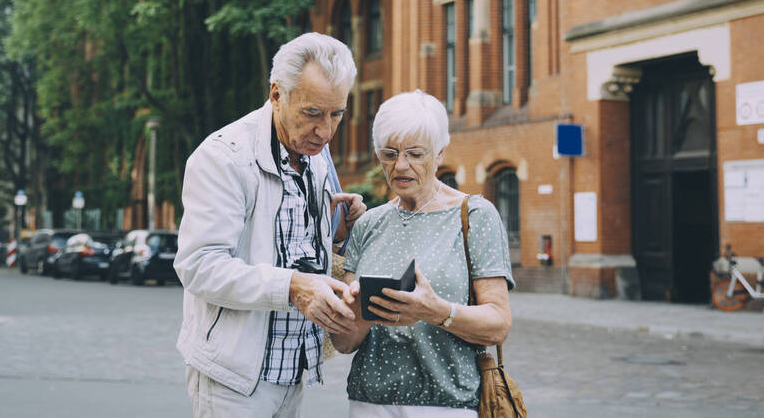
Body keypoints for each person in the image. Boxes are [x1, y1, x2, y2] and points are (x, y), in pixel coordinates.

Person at [174, 32, 367, 417]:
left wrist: (336, 234)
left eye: (337, 114)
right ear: (277, 94)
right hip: (234, 379)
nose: (326, 131)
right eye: (312, 113)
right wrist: (292, 287)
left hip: (293, 371)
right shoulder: (223, 157)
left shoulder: (316, 154)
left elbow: (293, 246)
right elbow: (199, 266)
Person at [330, 90, 516, 417]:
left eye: (415, 153)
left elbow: (498, 324)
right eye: (389, 154)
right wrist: (356, 313)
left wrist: (436, 311)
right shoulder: (368, 224)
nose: (401, 165)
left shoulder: (475, 216)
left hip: (447, 406)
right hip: (370, 404)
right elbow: (343, 343)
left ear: (440, 152)